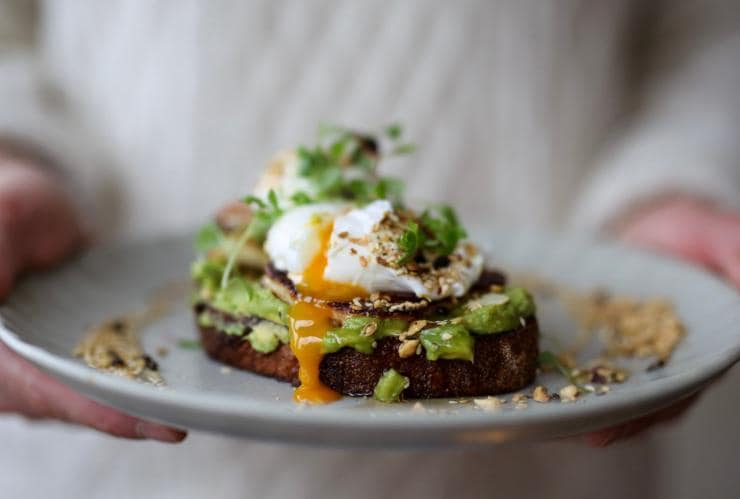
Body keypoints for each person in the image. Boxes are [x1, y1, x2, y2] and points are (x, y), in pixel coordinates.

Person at [0, 1, 739, 498]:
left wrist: (677, 178)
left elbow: (706, 26)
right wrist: (14, 155)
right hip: (111, 465)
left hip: (547, 474)